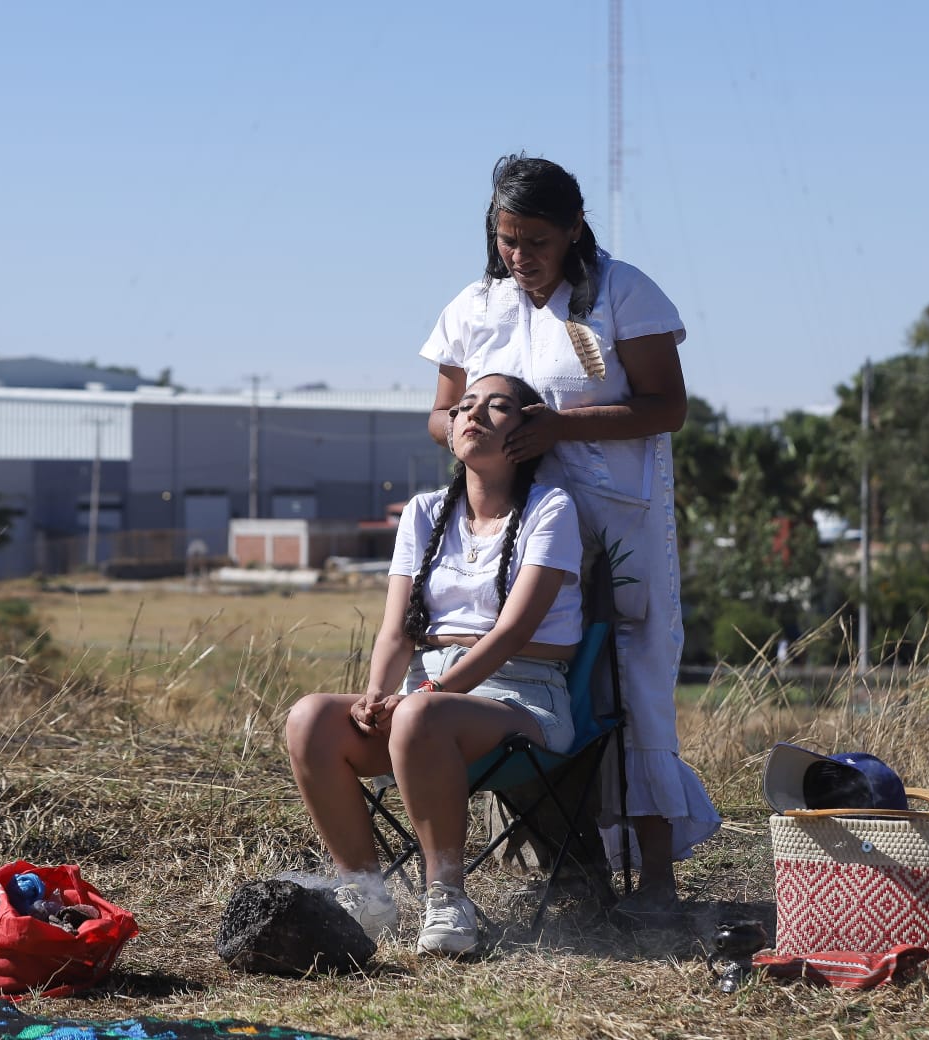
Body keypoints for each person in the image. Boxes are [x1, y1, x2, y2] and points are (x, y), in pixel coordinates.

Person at [419, 154, 721, 916]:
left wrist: (558, 426)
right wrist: (472, 430)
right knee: (530, 672)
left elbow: (666, 405)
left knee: (629, 681)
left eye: (537, 241)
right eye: (506, 239)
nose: (520, 257)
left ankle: (655, 880)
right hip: (512, 524)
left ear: (575, 228)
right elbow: (438, 411)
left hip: (614, 523)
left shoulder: (625, 292)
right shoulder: (475, 306)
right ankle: (568, 865)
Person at [285, 373, 584, 957]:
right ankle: (364, 893)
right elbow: (398, 630)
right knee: (310, 718)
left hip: (522, 696)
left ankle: (447, 899)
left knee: (420, 715)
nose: (473, 414)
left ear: (528, 435)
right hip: (424, 699)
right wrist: (377, 695)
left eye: (497, 408)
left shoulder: (552, 508)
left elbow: (514, 630)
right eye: (465, 405)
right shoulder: (423, 513)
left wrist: (427, 693)